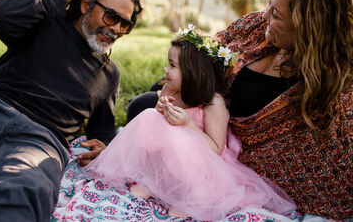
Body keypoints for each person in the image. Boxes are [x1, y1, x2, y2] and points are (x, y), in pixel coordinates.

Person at [127, 0, 353, 220]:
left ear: (310, 27)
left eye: (277, 14)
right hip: (198, 114)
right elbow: (199, 61)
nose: (265, 15)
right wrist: (167, 93)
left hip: (228, 151)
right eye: (269, 3)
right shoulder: (255, 28)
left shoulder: (333, 88)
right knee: (140, 107)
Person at [0, 0, 142, 221]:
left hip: (40, 141)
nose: (116, 29)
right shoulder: (44, 22)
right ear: (86, 4)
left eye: (125, 24)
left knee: (21, 191)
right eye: (112, 16)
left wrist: (103, 145)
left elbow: (103, 129)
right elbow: (1, 12)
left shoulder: (110, 74)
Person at [82, 27, 295, 221]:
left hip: (203, 167)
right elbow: (158, 125)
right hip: (170, 161)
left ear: (193, 73)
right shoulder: (171, 90)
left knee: (178, 138)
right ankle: (153, 181)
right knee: (149, 116)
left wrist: (187, 124)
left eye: (172, 65)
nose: (165, 69)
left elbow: (215, 148)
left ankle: (190, 198)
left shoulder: (214, 103)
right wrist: (161, 109)